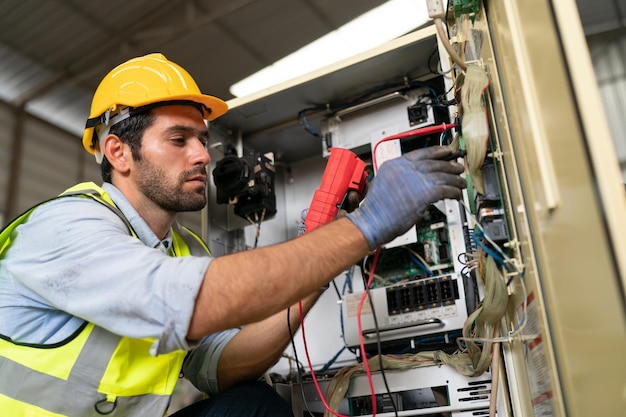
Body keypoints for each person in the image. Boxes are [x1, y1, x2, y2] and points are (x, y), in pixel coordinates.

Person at [0, 53, 466, 417]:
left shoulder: (183, 249)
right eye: (180, 140)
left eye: (202, 140)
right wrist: (362, 227)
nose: (203, 155)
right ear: (119, 153)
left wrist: (325, 264)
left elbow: (220, 369)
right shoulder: (67, 227)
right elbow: (191, 300)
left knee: (250, 407)